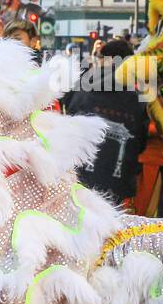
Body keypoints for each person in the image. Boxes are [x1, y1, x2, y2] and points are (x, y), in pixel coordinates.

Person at [62, 37, 151, 206]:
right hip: (119, 185)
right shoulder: (141, 97)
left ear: (106, 60)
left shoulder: (83, 85)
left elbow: (69, 115)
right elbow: (141, 143)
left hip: (79, 179)